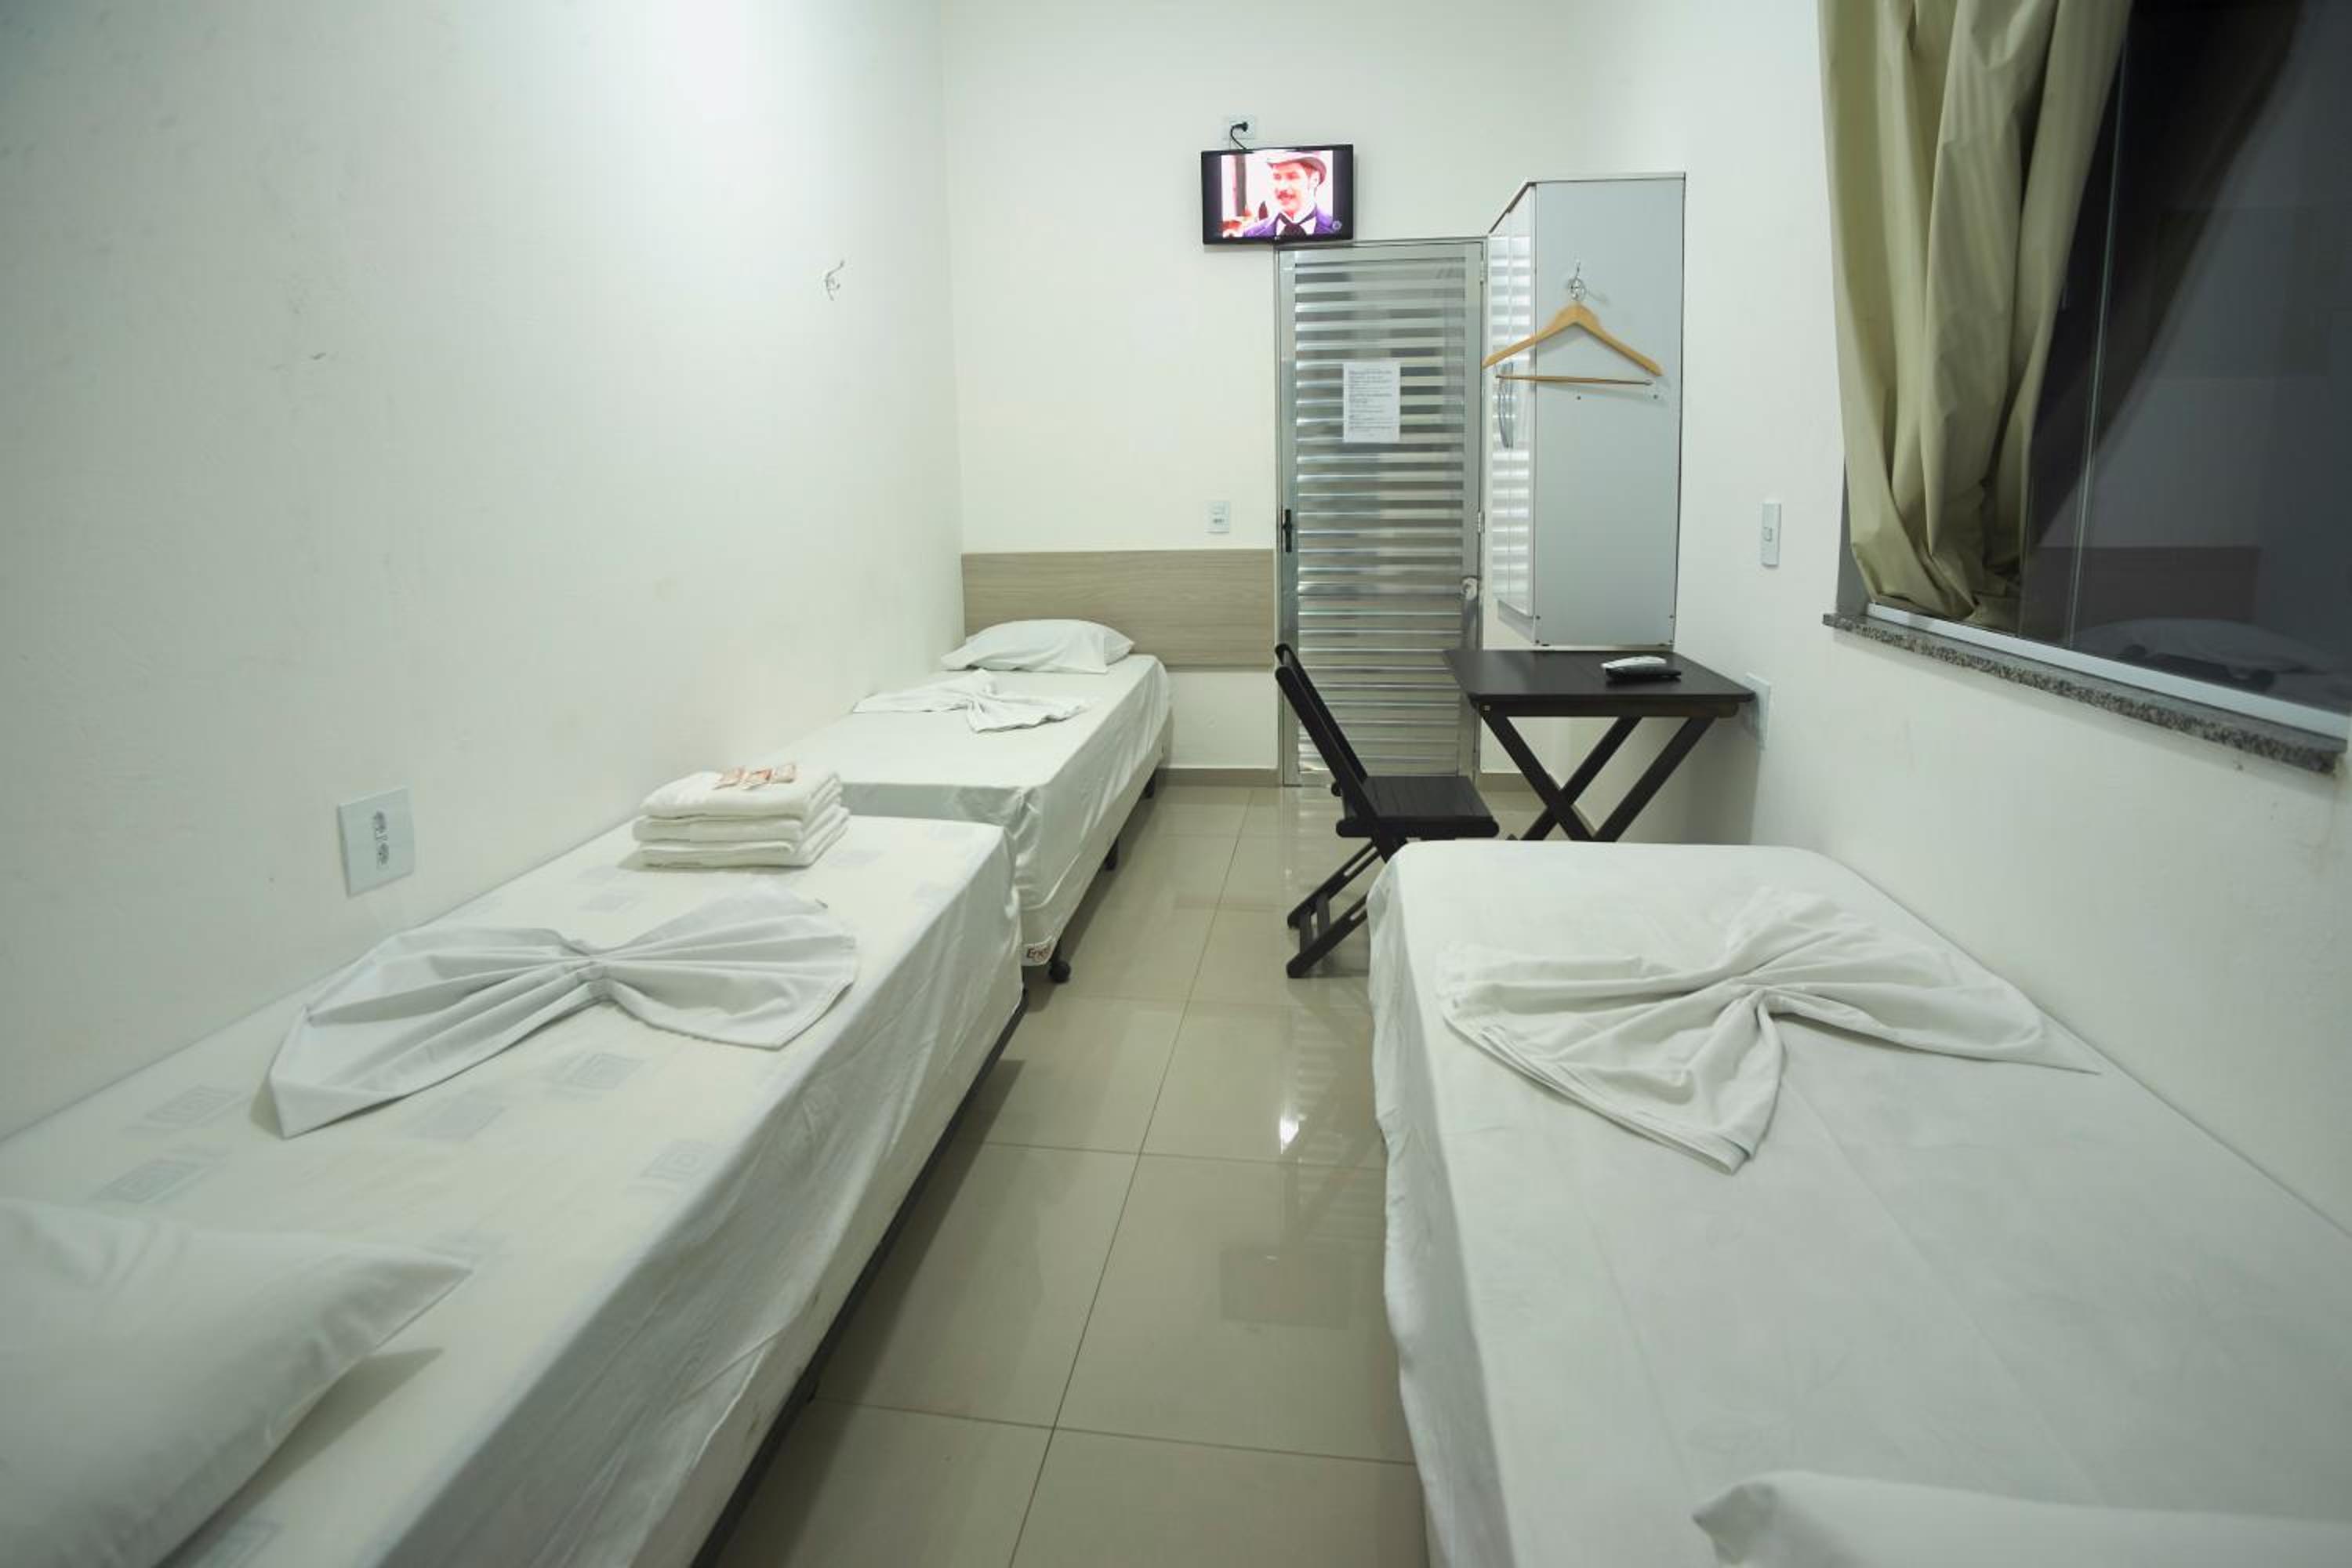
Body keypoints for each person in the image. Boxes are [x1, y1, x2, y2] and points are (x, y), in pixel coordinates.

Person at [1240, 151, 1343, 238]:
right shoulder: (1251, 233)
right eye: (1277, 177)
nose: (1282, 187)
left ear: (1314, 180)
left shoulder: (1338, 229)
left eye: (1292, 177)